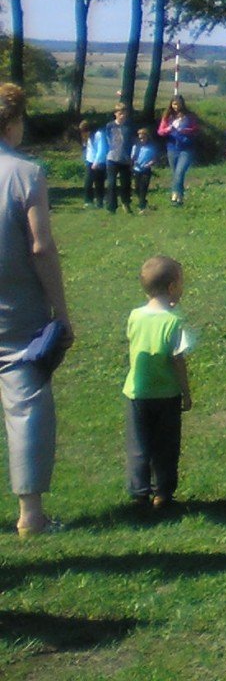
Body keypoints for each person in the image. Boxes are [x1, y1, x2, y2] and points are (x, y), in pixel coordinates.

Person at [0, 82, 70, 536]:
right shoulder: (26, 172)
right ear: (12, 122)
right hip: (18, 307)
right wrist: (60, 311)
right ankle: (31, 515)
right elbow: (41, 247)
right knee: (26, 406)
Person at [122, 255, 194, 509]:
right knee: (166, 446)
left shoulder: (135, 316)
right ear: (173, 287)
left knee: (138, 445)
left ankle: (139, 493)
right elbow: (178, 360)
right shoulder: (174, 321)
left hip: (137, 393)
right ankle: (162, 493)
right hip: (166, 394)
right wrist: (186, 392)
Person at [159, 98, 202, 205]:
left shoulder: (189, 116)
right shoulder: (168, 117)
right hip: (172, 148)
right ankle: (180, 197)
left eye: (178, 104)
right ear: (171, 104)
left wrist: (185, 130)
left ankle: (174, 196)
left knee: (180, 172)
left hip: (186, 149)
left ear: (182, 104)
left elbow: (196, 129)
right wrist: (168, 130)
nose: (176, 106)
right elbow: (160, 131)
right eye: (174, 104)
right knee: (176, 174)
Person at [97, 106, 135, 214]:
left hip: (125, 158)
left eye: (124, 113)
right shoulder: (109, 126)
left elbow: (132, 142)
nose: (122, 115)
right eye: (120, 113)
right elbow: (106, 140)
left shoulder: (129, 126)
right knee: (111, 183)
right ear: (115, 114)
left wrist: (132, 157)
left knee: (125, 183)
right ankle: (111, 207)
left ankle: (126, 203)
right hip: (112, 158)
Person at [81, 116, 109, 210]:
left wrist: (96, 162)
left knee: (99, 183)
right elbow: (88, 149)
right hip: (90, 160)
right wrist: (86, 160)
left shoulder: (99, 134)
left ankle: (100, 202)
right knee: (88, 182)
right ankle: (88, 201)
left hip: (99, 162)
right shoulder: (88, 136)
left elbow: (102, 149)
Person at [130, 127, 160, 210]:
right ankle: (142, 201)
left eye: (143, 137)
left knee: (143, 187)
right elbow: (132, 157)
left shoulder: (151, 147)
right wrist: (134, 161)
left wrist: (149, 164)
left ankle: (142, 205)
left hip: (146, 170)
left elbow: (155, 158)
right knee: (137, 188)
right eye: (140, 138)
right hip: (137, 169)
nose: (142, 139)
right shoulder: (136, 146)